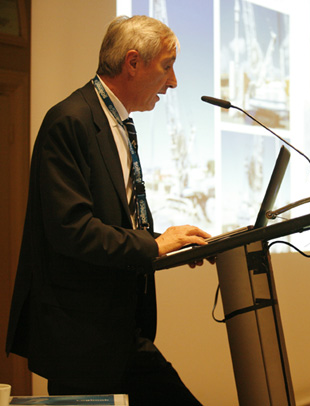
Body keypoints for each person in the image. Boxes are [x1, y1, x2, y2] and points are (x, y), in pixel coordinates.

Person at [5, 15, 209, 406]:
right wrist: (154, 246)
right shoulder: (70, 121)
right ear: (132, 63)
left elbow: (115, 222)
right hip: (81, 338)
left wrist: (170, 244)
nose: (173, 82)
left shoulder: (117, 122)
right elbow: (72, 230)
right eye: (167, 66)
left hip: (121, 330)